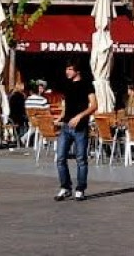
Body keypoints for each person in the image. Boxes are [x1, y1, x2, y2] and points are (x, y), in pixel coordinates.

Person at [54, 60, 96, 201]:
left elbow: (94, 105)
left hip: (80, 127)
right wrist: (61, 116)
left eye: (70, 69)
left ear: (77, 71)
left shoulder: (86, 84)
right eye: (67, 69)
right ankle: (65, 187)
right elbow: (65, 102)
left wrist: (80, 116)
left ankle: (80, 189)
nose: (67, 71)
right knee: (60, 158)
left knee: (81, 159)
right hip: (66, 126)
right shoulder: (66, 85)